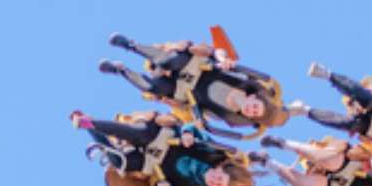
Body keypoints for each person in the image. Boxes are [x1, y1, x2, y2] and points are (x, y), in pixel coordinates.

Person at [101, 32, 289, 138]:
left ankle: (119, 70)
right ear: (253, 97)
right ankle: (130, 45)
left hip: (185, 90)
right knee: (168, 62)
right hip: (194, 66)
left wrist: (197, 120)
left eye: (254, 114)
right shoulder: (242, 79)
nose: (252, 110)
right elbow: (218, 52)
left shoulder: (228, 117)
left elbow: (197, 114)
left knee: (153, 88)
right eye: (256, 107)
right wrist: (222, 59)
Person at [71, 111, 261, 186]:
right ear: (221, 169)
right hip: (162, 139)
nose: (215, 183)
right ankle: (90, 122)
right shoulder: (211, 153)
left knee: (120, 163)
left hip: (153, 161)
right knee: (137, 134)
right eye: (220, 179)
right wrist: (187, 134)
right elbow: (192, 129)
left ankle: (94, 133)